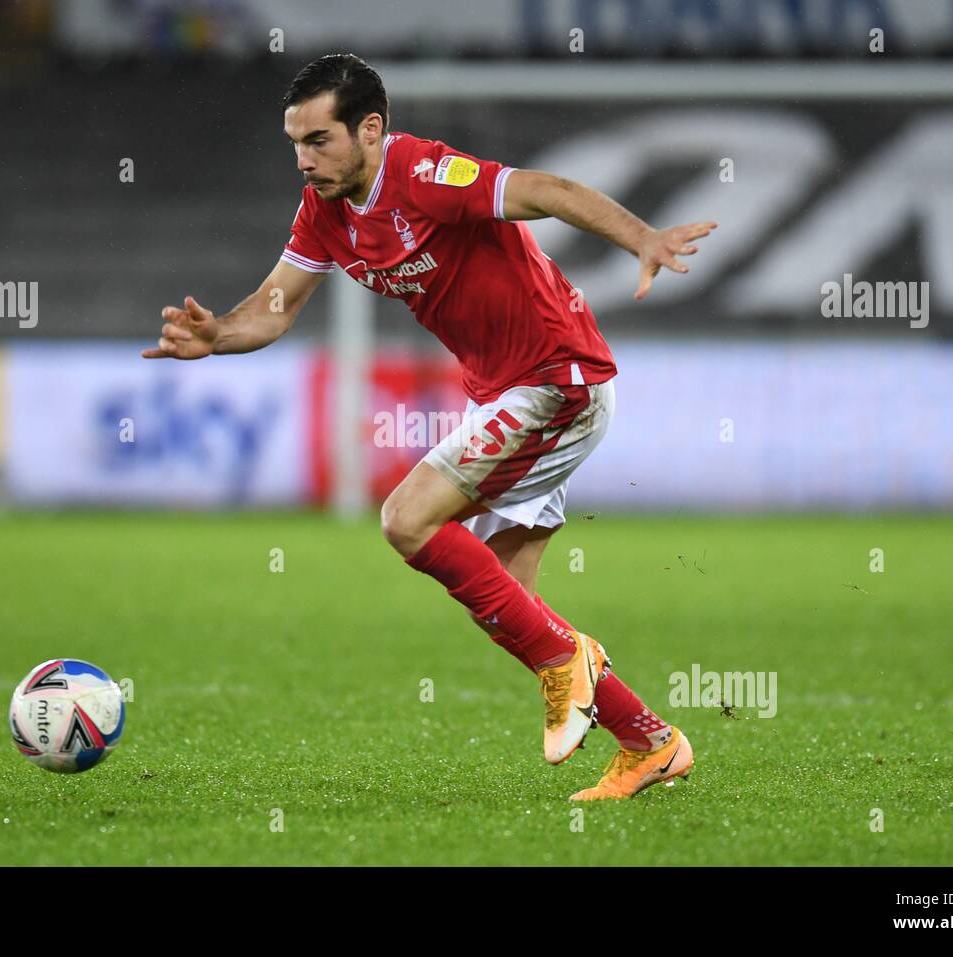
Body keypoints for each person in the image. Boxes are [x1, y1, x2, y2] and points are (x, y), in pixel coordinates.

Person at [144, 54, 716, 800]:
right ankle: (650, 741)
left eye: (319, 140)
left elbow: (548, 190)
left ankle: (569, 663)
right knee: (511, 606)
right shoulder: (324, 208)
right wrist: (216, 335)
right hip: (510, 392)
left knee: (407, 518)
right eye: (294, 142)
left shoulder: (421, 174)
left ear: (371, 129)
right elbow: (276, 306)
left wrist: (641, 235)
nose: (303, 159)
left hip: (555, 378)